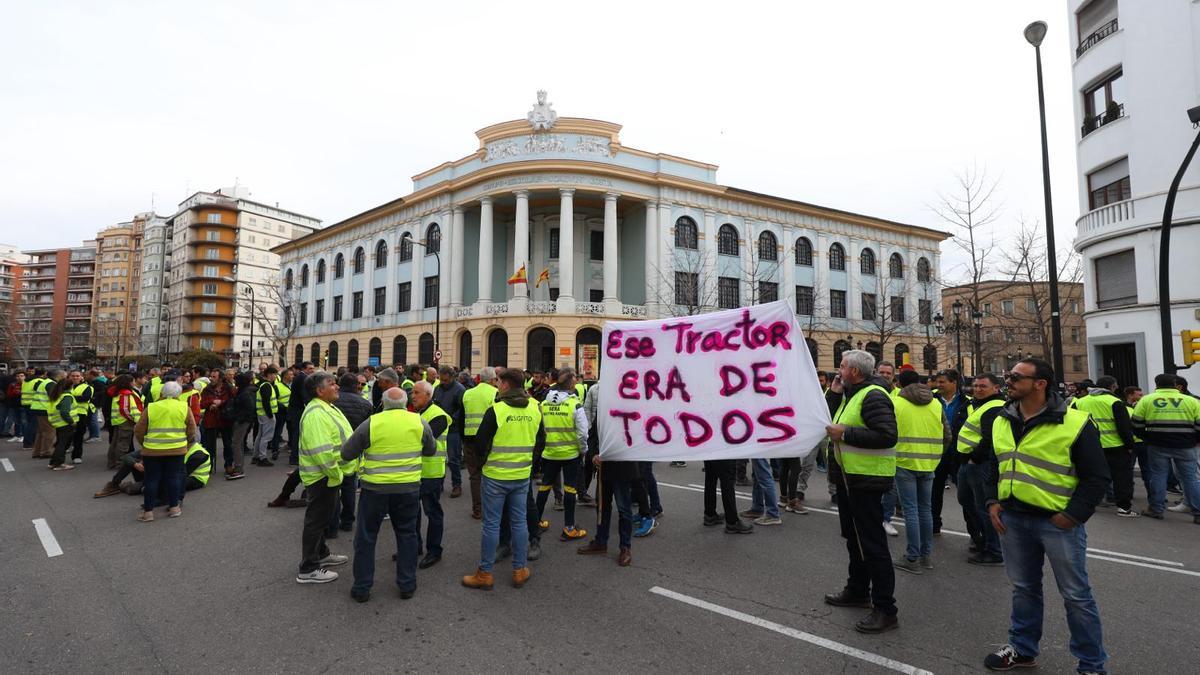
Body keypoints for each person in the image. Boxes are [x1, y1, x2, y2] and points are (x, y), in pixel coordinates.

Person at [981, 359, 1109, 673]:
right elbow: (993, 464)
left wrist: (1073, 515)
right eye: (1007, 376)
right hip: (1013, 519)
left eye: (1015, 377)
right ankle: (1023, 648)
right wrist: (992, 501)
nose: (1008, 381)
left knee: (1076, 596)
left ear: (1040, 384)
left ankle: (1092, 664)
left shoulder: (1075, 422)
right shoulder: (1002, 418)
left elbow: (1097, 476)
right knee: (1023, 589)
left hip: (1057, 522)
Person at [822, 349, 899, 634]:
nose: (838, 370)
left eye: (842, 367)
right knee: (854, 539)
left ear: (854, 371)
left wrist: (847, 434)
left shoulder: (873, 395)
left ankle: (885, 609)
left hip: (866, 480)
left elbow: (887, 435)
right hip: (849, 479)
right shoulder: (851, 394)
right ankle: (857, 590)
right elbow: (830, 422)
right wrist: (833, 393)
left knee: (872, 544)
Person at [339, 386, 435, 601]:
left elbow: (347, 453)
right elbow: (431, 449)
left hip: (374, 489)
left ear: (383, 403)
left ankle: (362, 587)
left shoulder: (371, 423)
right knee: (407, 535)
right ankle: (407, 585)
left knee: (366, 537)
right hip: (408, 488)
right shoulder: (418, 421)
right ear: (404, 403)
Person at [462, 368, 542, 591]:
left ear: (505, 384)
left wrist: (484, 463)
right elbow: (540, 441)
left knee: (491, 525)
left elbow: (480, 444)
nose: (497, 385)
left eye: (499, 382)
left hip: (495, 476)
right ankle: (519, 570)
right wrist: (528, 463)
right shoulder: (536, 407)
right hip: (521, 475)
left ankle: (485, 573)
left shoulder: (496, 410)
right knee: (519, 522)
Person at [296, 372, 352, 584]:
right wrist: (336, 474)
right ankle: (308, 568)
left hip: (327, 476)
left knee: (321, 519)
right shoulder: (316, 414)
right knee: (316, 521)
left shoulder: (324, 408)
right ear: (319, 391)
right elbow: (321, 452)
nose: (336, 386)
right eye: (331, 384)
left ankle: (321, 554)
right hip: (323, 477)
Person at [890, 368, 948, 574]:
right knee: (926, 509)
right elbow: (947, 433)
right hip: (930, 462)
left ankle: (912, 556)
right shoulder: (935, 403)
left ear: (900, 384)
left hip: (905, 461)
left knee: (911, 511)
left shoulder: (897, 403)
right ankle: (926, 557)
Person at [1132, 373, 1200, 522]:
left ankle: (1156, 509)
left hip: (1157, 445)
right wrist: (1194, 440)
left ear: (1156, 385)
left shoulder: (1147, 400)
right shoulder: (1191, 401)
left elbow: (1136, 424)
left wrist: (1148, 438)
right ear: (1175, 385)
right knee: (1191, 478)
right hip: (1186, 445)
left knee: (1158, 475)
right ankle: (1198, 512)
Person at [956, 373, 1008, 565]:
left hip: (979, 464)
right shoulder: (982, 405)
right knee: (967, 500)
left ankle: (993, 550)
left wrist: (974, 459)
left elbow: (990, 439)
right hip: (969, 463)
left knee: (984, 507)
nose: (977, 389)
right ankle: (983, 541)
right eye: (975, 386)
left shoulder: (993, 407)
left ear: (996, 388)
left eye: (982, 386)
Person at [1071, 376, 1139, 518]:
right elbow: (1124, 427)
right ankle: (1123, 507)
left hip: (1089, 446)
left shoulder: (1080, 402)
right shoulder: (1115, 402)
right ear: (1112, 387)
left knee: (1089, 476)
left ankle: (1087, 504)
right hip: (1115, 446)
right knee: (1122, 479)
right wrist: (1130, 445)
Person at [534, 370, 589, 542]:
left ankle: (535, 521)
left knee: (544, 487)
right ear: (572, 384)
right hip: (571, 454)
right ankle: (569, 528)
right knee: (570, 489)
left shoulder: (544, 403)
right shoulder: (575, 404)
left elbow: (539, 428)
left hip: (550, 453)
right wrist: (583, 450)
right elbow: (582, 433)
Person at [133, 381, 198, 521]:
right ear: (179, 394)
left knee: (151, 479)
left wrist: (144, 443)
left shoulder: (151, 407)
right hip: (176, 449)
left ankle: (148, 512)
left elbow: (139, 430)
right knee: (173, 478)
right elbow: (192, 429)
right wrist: (184, 443)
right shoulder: (183, 407)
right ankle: (174, 507)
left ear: (162, 393)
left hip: (153, 450)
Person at [411, 381, 448, 569]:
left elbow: (422, 440)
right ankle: (414, 546)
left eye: (416, 392)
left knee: (432, 512)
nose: (412, 396)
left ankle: (434, 551)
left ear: (428, 395)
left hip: (431, 472)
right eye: (411, 392)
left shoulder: (439, 415)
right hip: (415, 472)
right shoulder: (417, 414)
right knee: (413, 511)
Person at [332, 373, 373, 535]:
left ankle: (332, 522)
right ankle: (348, 520)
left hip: (334, 448)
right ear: (357, 385)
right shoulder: (364, 403)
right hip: (355, 448)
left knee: (334, 486)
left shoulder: (332, 401)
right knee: (349, 486)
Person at [933, 369, 971, 536]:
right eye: (937, 382)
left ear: (954, 383)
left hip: (958, 453)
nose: (938, 385)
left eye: (942, 382)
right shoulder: (930, 400)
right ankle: (934, 525)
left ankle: (974, 532)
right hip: (937, 452)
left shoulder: (967, 403)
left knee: (965, 495)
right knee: (934, 492)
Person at [461, 366, 499, 519]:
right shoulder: (495, 393)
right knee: (490, 474)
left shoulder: (467, 393)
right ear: (491, 380)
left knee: (475, 475)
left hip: (469, 438)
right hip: (489, 439)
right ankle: (492, 507)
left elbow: (462, 416)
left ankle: (478, 509)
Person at [433, 364, 466, 499]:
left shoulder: (460, 390)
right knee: (439, 458)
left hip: (453, 429)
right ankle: (439, 484)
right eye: (441, 380)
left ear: (452, 378)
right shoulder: (437, 389)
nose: (442, 382)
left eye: (445, 380)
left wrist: (450, 420)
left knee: (453, 459)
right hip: (439, 429)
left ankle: (456, 485)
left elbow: (462, 409)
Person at [107, 374, 144, 470]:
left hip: (118, 420)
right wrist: (132, 419)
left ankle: (112, 462)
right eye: (133, 381)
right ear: (129, 383)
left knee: (115, 442)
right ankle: (120, 463)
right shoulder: (126, 393)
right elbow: (125, 409)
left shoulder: (118, 392)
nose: (134, 383)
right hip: (125, 421)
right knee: (123, 444)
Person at [199, 370, 233, 474]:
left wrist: (221, 403)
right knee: (209, 446)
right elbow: (202, 404)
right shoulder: (207, 389)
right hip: (211, 420)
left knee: (228, 444)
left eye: (214, 377)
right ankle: (209, 465)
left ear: (220, 378)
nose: (211, 379)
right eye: (211, 376)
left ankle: (228, 465)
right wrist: (212, 402)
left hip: (225, 419)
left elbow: (232, 401)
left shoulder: (228, 388)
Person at [46, 373, 80, 471]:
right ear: (70, 386)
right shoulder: (67, 396)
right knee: (63, 444)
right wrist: (71, 421)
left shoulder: (57, 395)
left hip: (58, 423)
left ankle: (53, 462)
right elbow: (64, 411)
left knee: (60, 443)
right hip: (65, 423)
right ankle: (59, 463)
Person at [227, 372, 257, 480]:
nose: (235, 382)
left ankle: (239, 468)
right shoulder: (246, 391)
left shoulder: (245, 393)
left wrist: (239, 419)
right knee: (238, 444)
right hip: (243, 420)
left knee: (236, 444)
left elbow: (249, 408)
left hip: (242, 421)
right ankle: (238, 467)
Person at [251, 366, 278, 467]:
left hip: (262, 414)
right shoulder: (266, 386)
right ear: (270, 375)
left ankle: (256, 456)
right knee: (266, 437)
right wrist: (270, 415)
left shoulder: (263, 385)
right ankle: (262, 457)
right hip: (267, 415)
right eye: (275, 374)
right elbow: (266, 401)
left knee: (260, 436)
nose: (276, 376)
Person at [269, 367, 293, 460]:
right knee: (278, 431)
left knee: (291, 430)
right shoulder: (277, 386)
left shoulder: (291, 385)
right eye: (290, 374)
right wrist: (283, 407)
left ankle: (291, 446)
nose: (292, 376)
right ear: (285, 376)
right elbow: (274, 399)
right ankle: (275, 450)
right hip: (281, 412)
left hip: (290, 411)